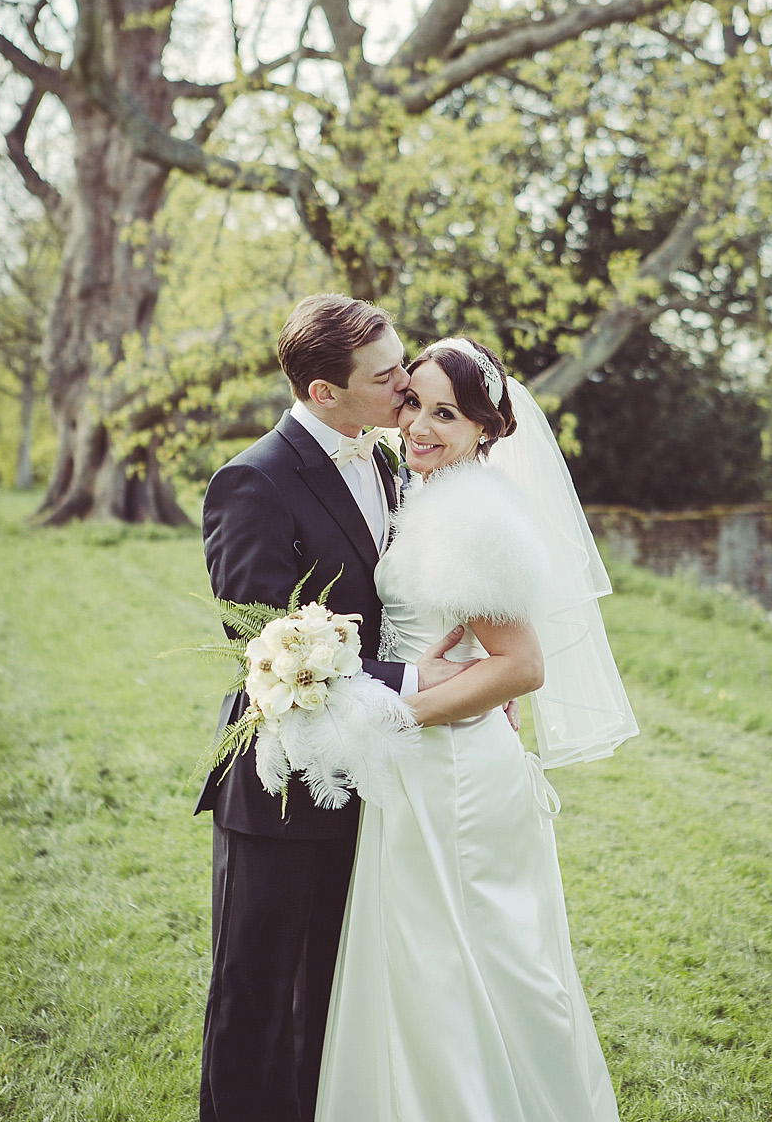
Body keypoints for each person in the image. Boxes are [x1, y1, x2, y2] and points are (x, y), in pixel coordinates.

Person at [315, 337, 639, 1122]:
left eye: (446, 415)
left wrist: (396, 711)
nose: (419, 427)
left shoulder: (473, 518)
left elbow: (522, 666)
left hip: (454, 771)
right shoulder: (432, 493)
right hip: (430, 763)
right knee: (434, 969)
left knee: (464, 969)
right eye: (414, 404)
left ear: (486, 431)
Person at [196, 295, 469, 1122]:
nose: (405, 387)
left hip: (378, 773)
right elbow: (271, 640)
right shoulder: (254, 481)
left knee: (334, 991)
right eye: (387, 377)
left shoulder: (389, 460)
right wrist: (428, 684)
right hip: (282, 780)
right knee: (256, 989)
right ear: (324, 392)